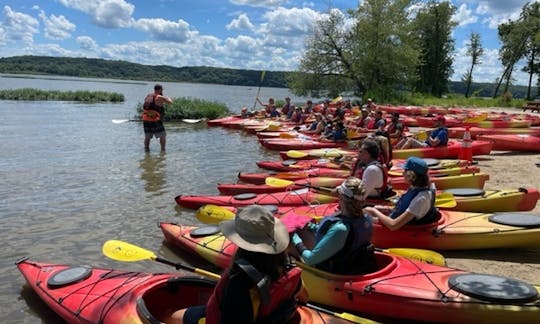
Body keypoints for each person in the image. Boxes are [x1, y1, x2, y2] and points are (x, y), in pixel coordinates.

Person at [166, 205, 307, 324]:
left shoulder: (239, 283)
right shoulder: (286, 265)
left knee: (171, 316)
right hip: (274, 317)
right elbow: (304, 297)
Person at [291, 177, 377, 275]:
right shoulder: (366, 218)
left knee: (291, 244)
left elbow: (310, 259)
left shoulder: (341, 229)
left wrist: (295, 239)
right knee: (305, 231)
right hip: (354, 264)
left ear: (341, 197)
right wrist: (312, 227)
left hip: (335, 272)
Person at [364, 157, 440, 230]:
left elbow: (393, 225)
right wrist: (383, 209)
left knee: (366, 216)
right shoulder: (417, 187)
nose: (402, 173)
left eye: (405, 170)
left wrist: (374, 211)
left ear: (412, 175)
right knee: (371, 209)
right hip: (403, 220)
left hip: (404, 228)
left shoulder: (421, 199)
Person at [143, 84, 173, 152]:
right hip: (155, 119)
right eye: (162, 89)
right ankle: (163, 150)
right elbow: (170, 102)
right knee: (163, 135)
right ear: (159, 89)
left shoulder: (149, 95)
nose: (162, 90)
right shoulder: (159, 97)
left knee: (147, 136)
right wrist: (167, 97)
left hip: (145, 119)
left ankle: (146, 150)